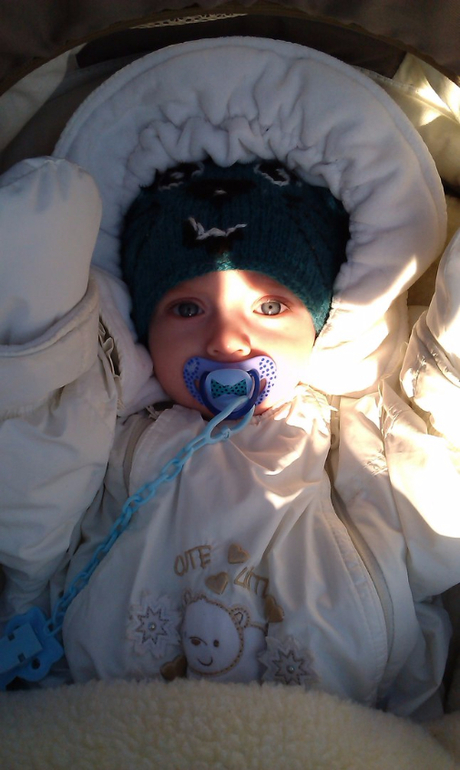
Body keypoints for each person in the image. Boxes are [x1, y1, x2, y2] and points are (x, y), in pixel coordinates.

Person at [1, 156, 460, 721]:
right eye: (187, 308)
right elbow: (36, 477)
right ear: (144, 332)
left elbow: (431, 462)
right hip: (103, 714)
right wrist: (33, 340)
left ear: (319, 325)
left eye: (269, 307)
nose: (226, 340)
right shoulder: (114, 432)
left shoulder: (343, 433)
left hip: (345, 722)